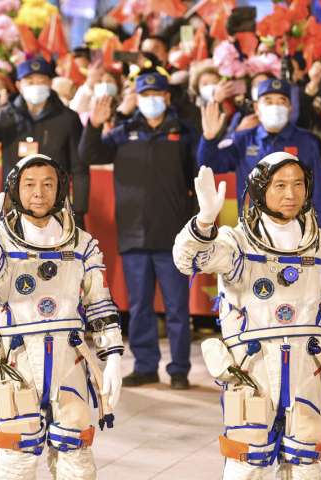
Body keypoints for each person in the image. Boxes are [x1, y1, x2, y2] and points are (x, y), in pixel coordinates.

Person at [173, 154, 321, 479]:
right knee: (246, 464)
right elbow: (188, 260)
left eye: (298, 185)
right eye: (280, 185)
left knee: (306, 465)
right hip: (252, 373)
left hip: (306, 371)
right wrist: (204, 222)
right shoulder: (236, 243)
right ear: (260, 189)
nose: (291, 194)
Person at [0, 154, 123, 479]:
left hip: (69, 361)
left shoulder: (82, 244)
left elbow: (100, 302)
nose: (38, 193)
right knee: (18, 459)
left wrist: (111, 356)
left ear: (61, 189)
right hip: (17, 363)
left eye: (47, 184)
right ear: (16, 189)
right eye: (29, 185)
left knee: (77, 459)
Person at [79, 69, 198, 390]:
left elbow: (198, 179)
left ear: (167, 98)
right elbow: (89, 154)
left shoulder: (183, 133)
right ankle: (145, 366)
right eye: (145, 96)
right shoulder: (124, 131)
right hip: (133, 233)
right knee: (139, 307)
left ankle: (179, 369)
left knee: (176, 308)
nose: (151, 101)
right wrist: (93, 124)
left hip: (173, 236)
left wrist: (197, 229)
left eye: (156, 95)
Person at [198, 78, 321, 230]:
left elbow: (320, 195)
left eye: (281, 101)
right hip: (253, 231)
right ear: (256, 108)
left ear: (290, 107)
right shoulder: (243, 140)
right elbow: (211, 165)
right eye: (268, 101)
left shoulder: (307, 142)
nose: (275, 106)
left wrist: (320, 236)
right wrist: (208, 139)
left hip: (296, 231)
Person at [0, 57, 88, 227]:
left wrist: (79, 210)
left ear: (50, 83)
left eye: (42, 81)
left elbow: (79, 168)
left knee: (55, 253)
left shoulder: (67, 118)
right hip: (14, 206)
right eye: (30, 81)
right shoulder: (6, 115)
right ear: (18, 85)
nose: (36, 86)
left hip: (56, 206)